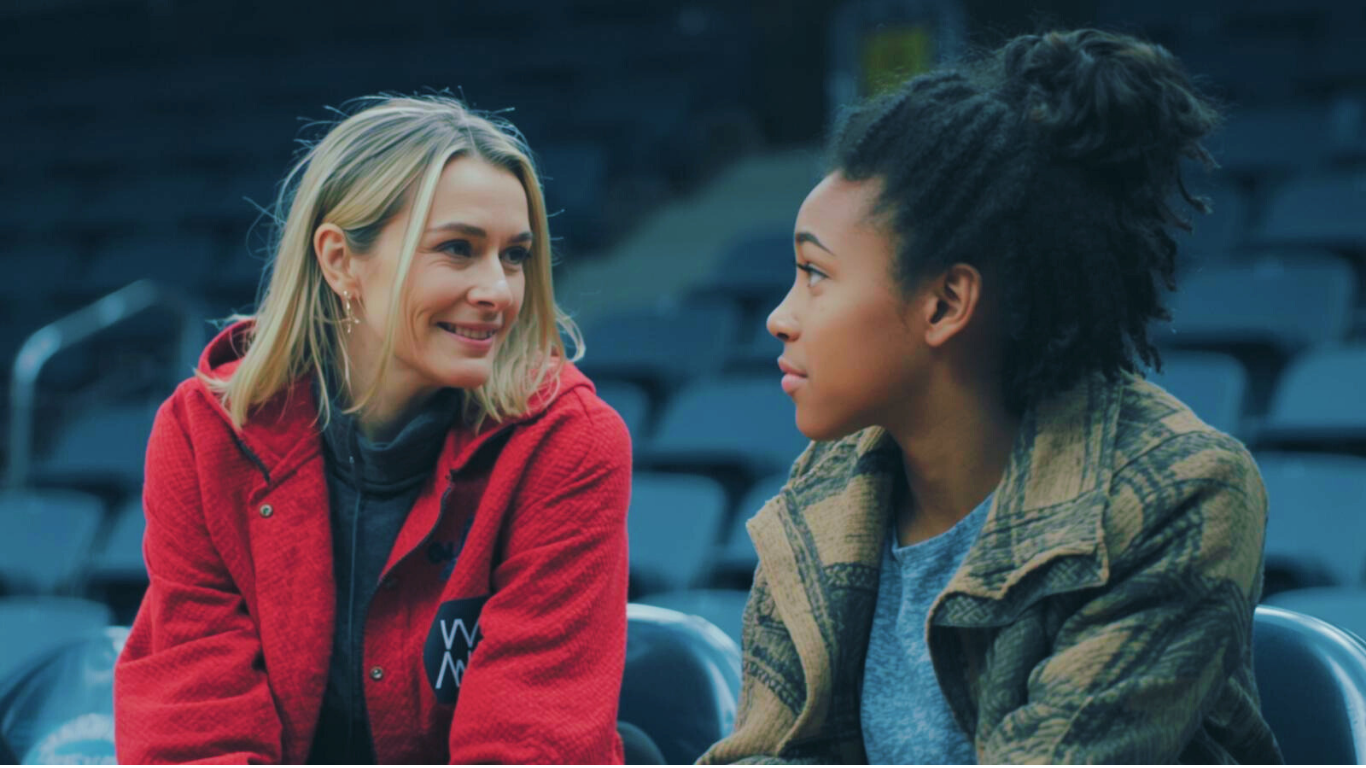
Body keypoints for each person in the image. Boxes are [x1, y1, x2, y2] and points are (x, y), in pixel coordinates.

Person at [699, 29, 1283, 764]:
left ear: (945, 303)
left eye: (814, 274)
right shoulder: (825, 492)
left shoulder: (1179, 495)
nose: (779, 317)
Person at [113, 94, 633, 764]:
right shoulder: (205, 434)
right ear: (339, 261)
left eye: (514, 256)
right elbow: (192, 734)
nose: (500, 291)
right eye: (458, 249)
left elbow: (529, 745)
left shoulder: (569, 444)